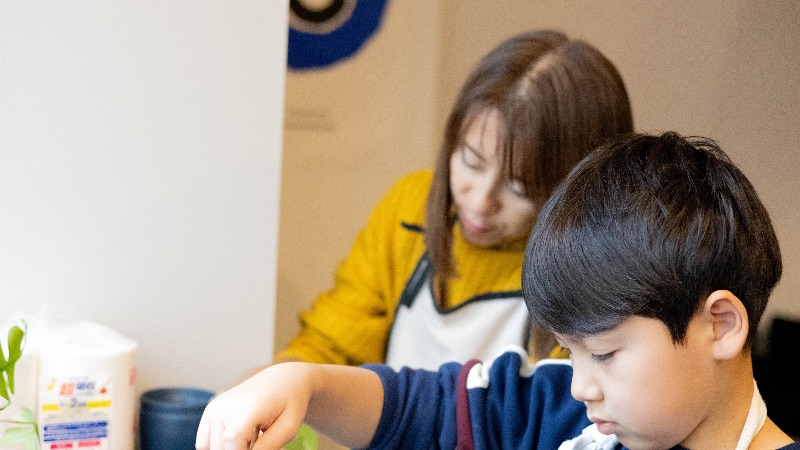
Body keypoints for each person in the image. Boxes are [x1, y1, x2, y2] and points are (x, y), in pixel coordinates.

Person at [196, 132, 800, 450]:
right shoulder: (561, 415)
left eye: (605, 353)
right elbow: (421, 408)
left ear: (720, 326)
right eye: (571, 352)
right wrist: (300, 383)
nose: (581, 384)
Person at [263, 28, 634, 375]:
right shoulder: (410, 209)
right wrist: (285, 377)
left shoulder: (589, 275)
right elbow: (333, 344)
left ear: (576, 189)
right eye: (471, 161)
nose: (482, 201)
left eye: (520, 188)